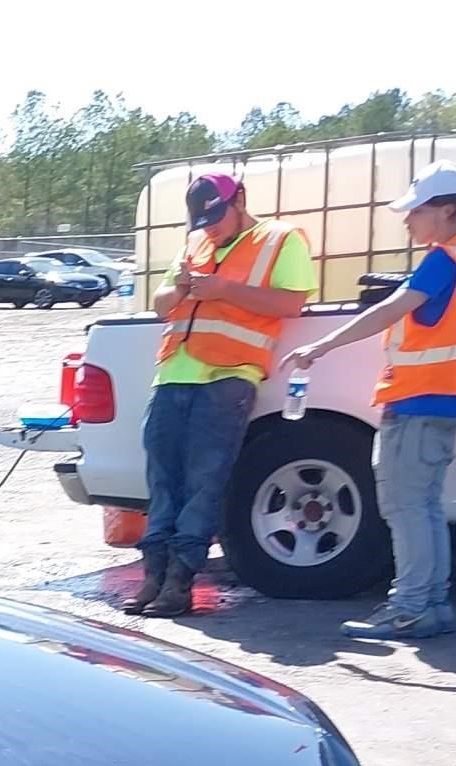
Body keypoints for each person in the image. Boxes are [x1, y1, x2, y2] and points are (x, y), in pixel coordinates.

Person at [284, 166, 456, 641]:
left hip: (420, 397)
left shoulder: (446, 259)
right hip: (447, 398)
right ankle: (430, 604)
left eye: (417, 211)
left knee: (407, 507)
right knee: (423, 506)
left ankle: (410, 609)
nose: (407, 220)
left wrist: (318, 347)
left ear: (448, 211)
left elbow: (390, 310)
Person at [124, 173, 314, 617]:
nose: (209, 227)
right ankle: (153, 576)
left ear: (240, 201)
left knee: (203, 481)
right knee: (162, 478)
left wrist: (224, 289)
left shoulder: (280, 238)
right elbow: (161, 303)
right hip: (174, 372)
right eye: (202, 220)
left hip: (230, 374)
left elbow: (291, 303)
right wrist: (184, 288)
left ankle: (179, 581)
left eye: (216, 217)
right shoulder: (196, 244)